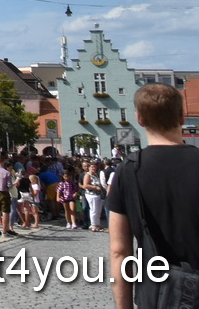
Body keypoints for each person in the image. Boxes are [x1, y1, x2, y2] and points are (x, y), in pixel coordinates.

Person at [109, 82, 199, 309]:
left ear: (139, 118)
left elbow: (120, 252)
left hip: (156, 295)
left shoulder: (127, 171)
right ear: (181, 116)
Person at [83, 161, 107, 233]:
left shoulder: (96, 174)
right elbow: (85, 185)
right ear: (89, 168)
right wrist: (95, 187)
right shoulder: (88, 175)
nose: (94, 168)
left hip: (98, 195)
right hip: (91, 194)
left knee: (98, 210)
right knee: (93, 210)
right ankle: (93, 225)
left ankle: (98, 224)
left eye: (95, 167)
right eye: (92, 167)